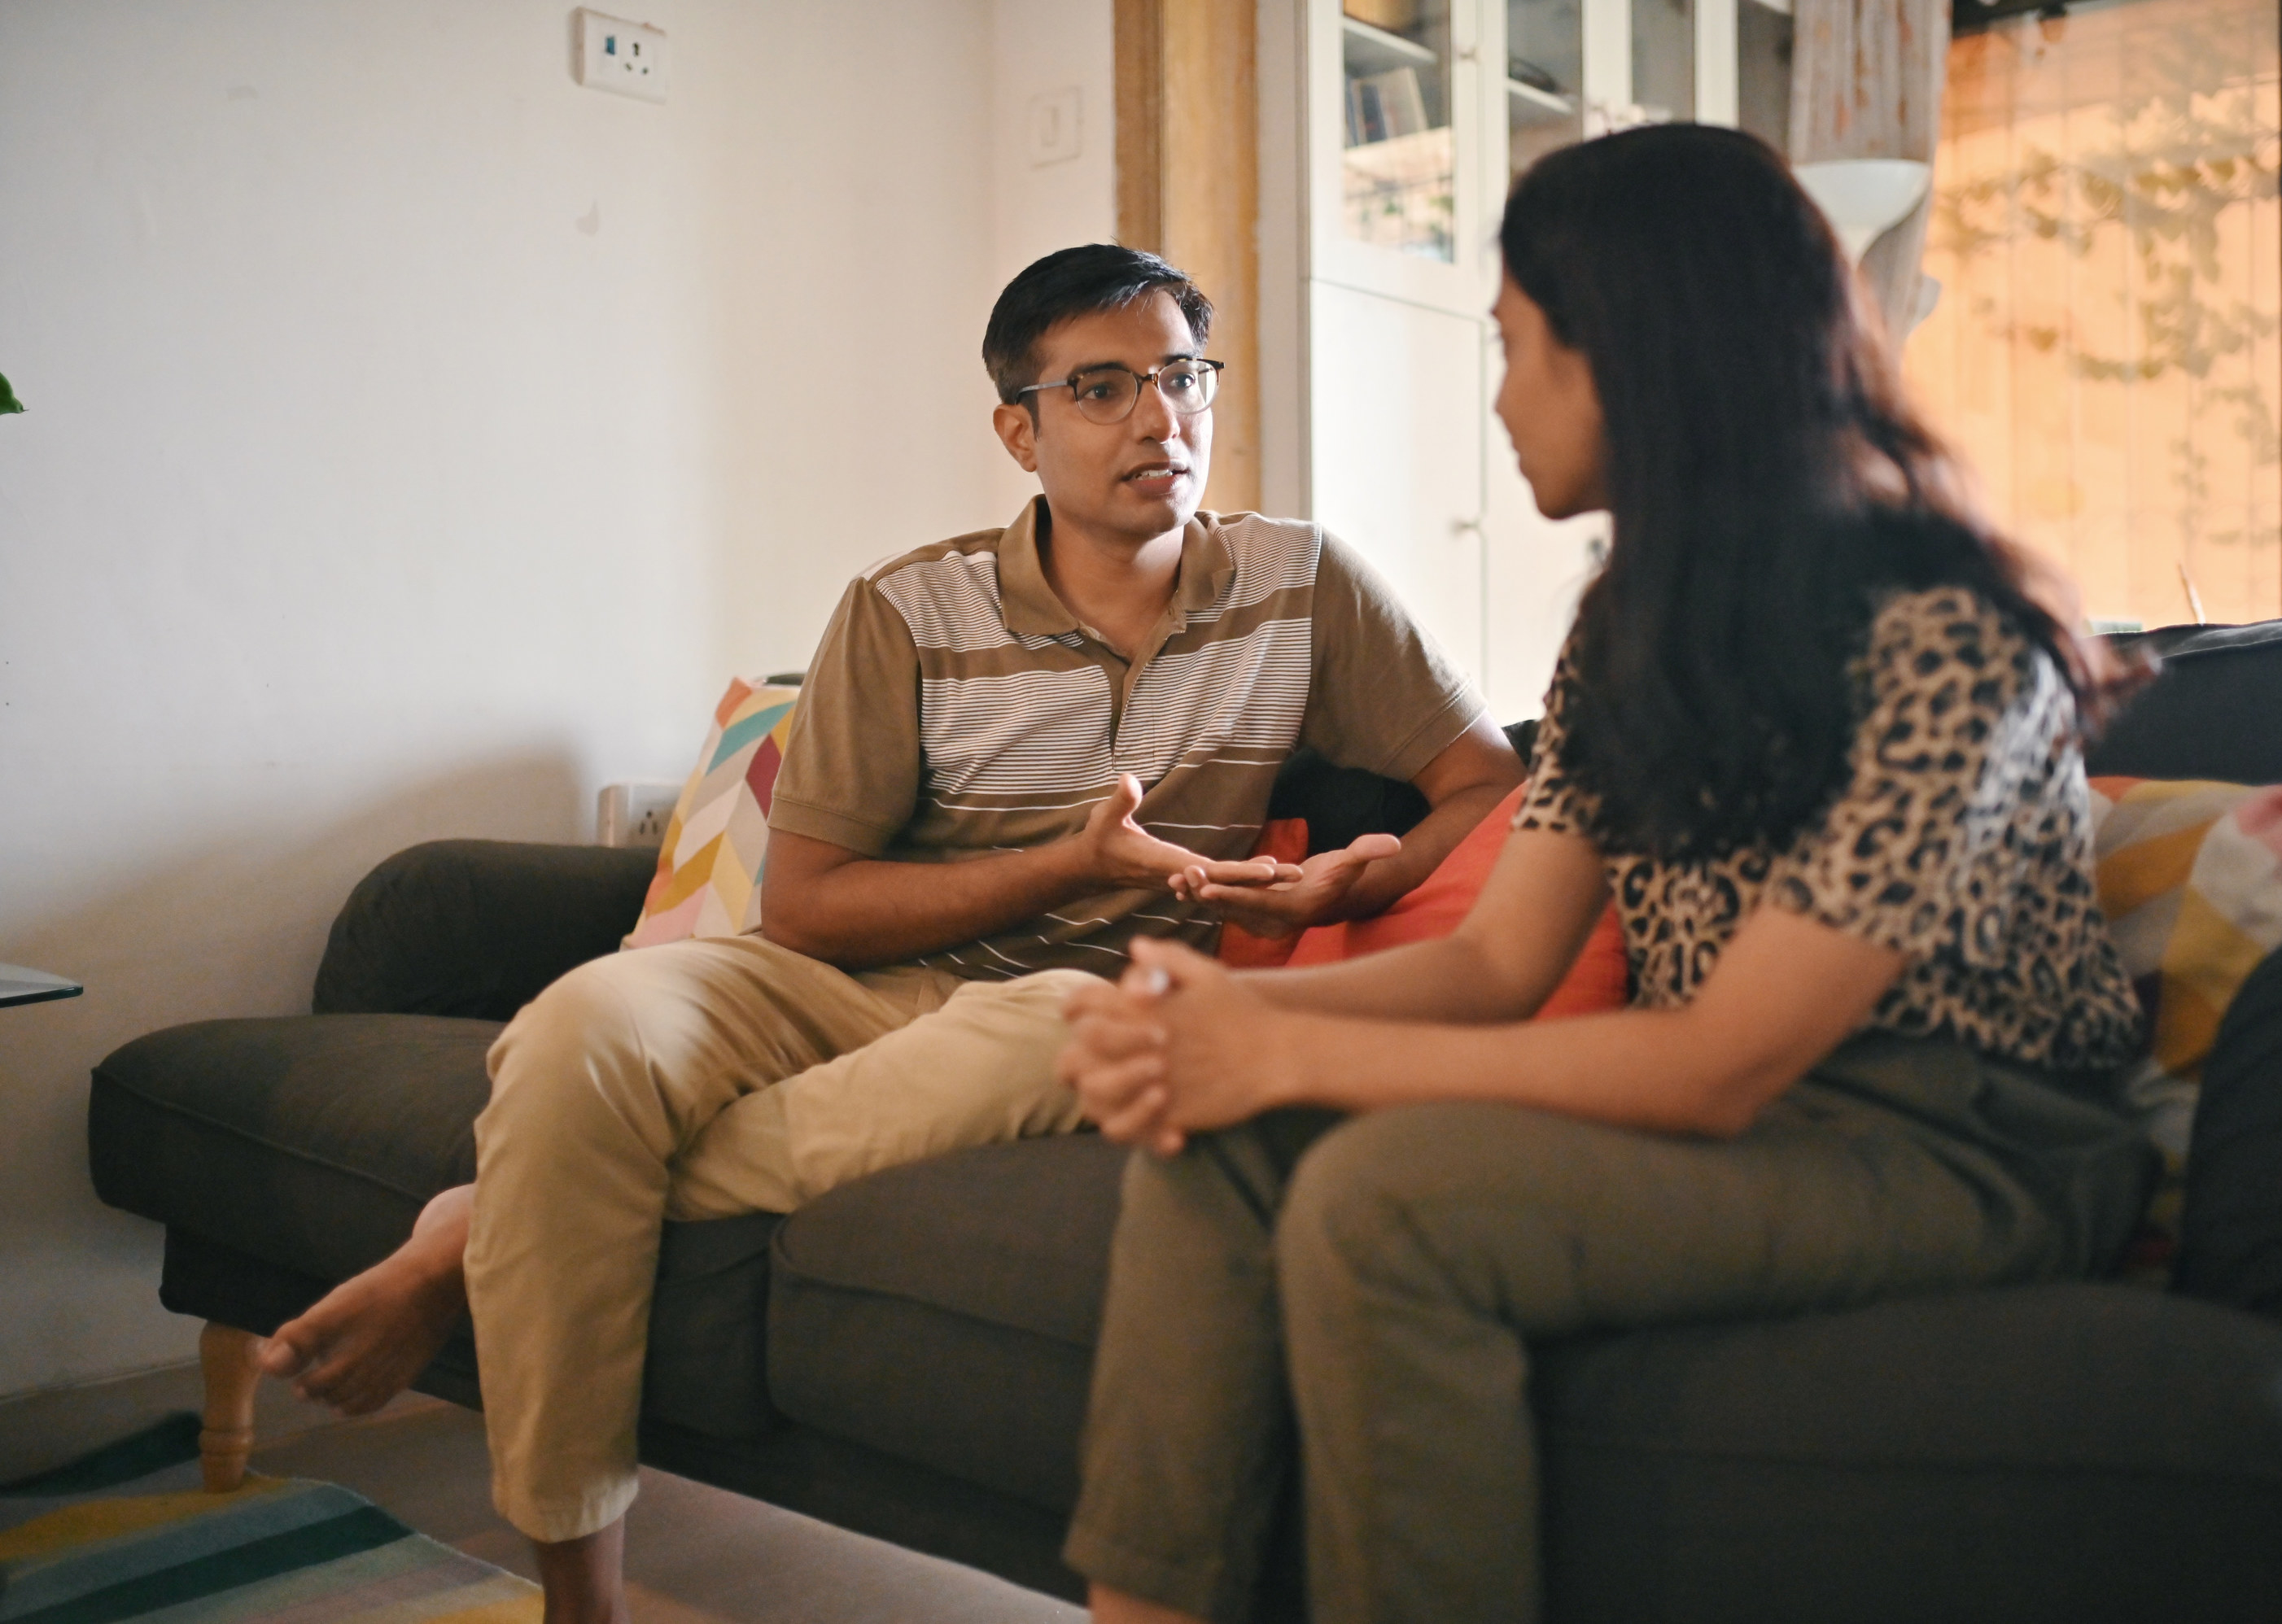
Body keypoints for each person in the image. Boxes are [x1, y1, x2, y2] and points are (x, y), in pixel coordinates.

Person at [255, 243, 1524, 1624]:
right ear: (1019, 432)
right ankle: (584, 1598)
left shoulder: (1303, 584)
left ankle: (480, 1219)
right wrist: (1064, 861)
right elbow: (807, 905)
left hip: (1084, 1004)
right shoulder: (905, 607)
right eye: (1102, 389)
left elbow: (1487, 784)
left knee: (1045, 1028)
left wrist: (1370, 873)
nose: (1161, 420)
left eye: (1182, 376)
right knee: (577, 1032)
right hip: (840, 978)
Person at [1057, 125, 2156, 1624]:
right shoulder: (1633, 633)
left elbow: (1718, 1065)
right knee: (1219, 1139)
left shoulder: (1943, 635)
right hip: (1762, 1119)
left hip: (1965, 1144)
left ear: (1638, 350)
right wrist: (1224, 1046)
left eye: (1516, 348)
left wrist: (1277, 1039)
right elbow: (1497, 967)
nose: (1499, 398)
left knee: (1385, 1199)